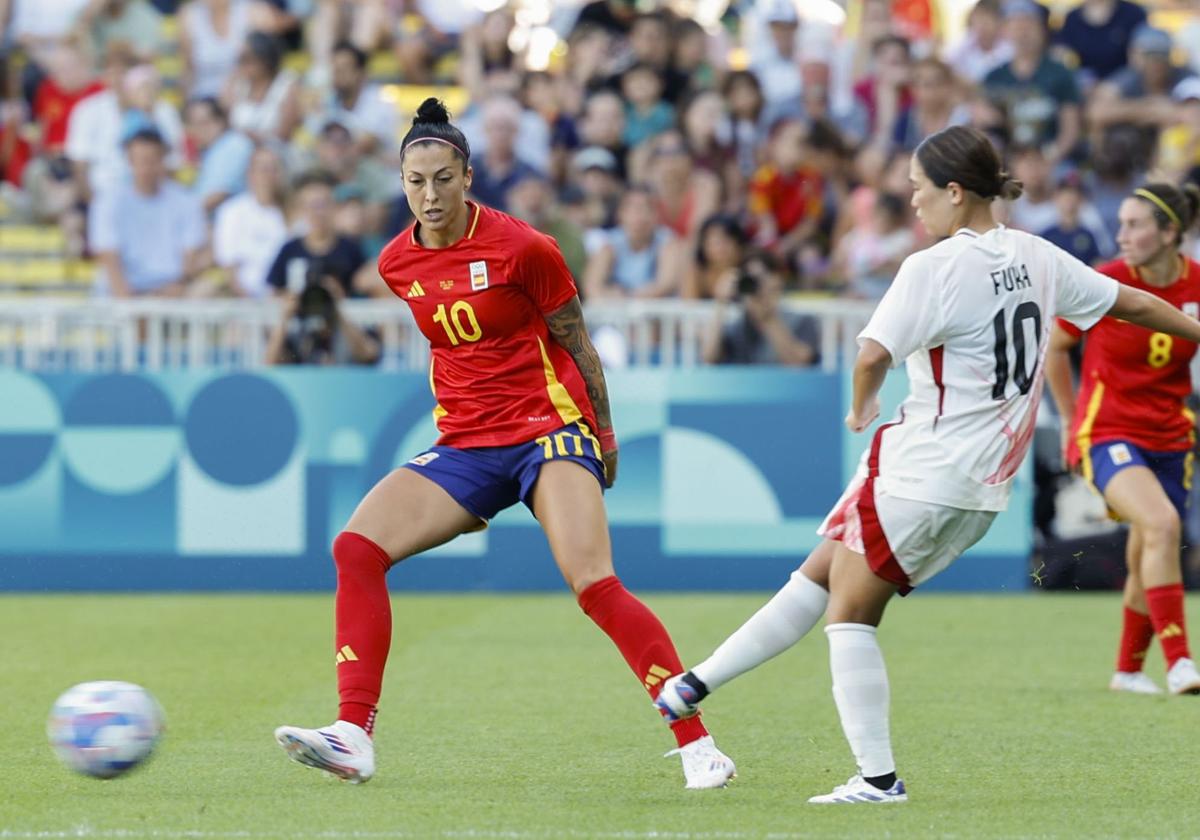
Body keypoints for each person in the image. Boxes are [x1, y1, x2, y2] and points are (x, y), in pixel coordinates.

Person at [651, 125, 1200, 804]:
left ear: (953, 190)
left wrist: (862, 406)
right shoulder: (1038, 256)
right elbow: (1141, 305)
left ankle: (878, 779)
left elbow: (872, 356)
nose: (911, 202)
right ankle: (693, 686)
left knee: (848, 615)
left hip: (923, 469)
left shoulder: (933, 268)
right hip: (981, 489)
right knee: (820, 574)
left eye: (917, 188)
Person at [273, 99, 736, 790]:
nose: (428, 195)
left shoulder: (526, 248)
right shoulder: (398, 261)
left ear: (467, 175)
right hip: (466, 444)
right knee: (355, 548)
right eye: (415, 180)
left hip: (548, 432)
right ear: (400, 182)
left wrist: (602, 436)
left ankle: (697, 743)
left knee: (594, 583)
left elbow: (578, 345)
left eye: (441, 178)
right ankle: (352, 735)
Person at [1045, 182, 1200, 697]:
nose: (1122, 234)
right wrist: (1069, 422)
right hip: (1106, 430)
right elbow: (1057, 348)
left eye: (1135, 225)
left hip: (1172, 436)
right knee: (1161, 524)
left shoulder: (1196, 283)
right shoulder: (1105, 281)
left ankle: (1128, 671)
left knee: (1148, 545)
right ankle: (1180, 662)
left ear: (1169, 233)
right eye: (1122, 224)